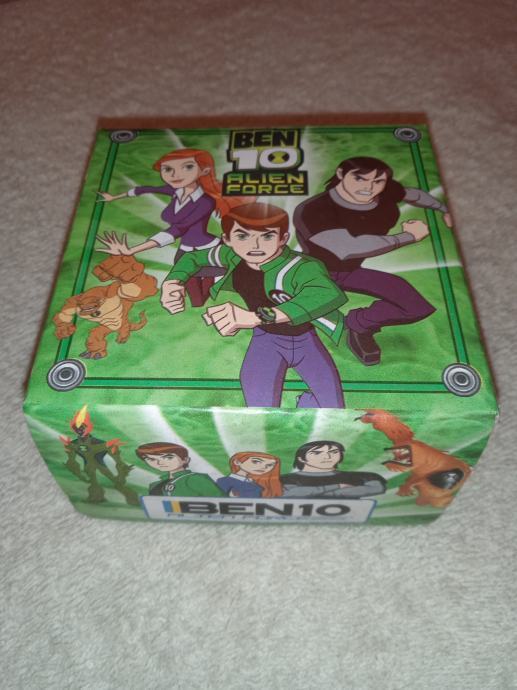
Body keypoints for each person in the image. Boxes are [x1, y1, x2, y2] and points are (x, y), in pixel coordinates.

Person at [160, 202, 348, 408]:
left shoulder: (302, 266)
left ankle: (305, 402)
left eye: (267, 236)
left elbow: (327, 294)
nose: (255, 245)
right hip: (266, 341)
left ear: (283, 239)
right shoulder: (232, 255)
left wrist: (254, 317)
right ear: (227, 239)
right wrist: (172, 282)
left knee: (333, 407)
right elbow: (193, 258)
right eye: (242, 236)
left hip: (306, 342)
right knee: (258, 408)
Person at [294, 156, 451, 365]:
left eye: (378, 181)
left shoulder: (382, 192)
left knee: (415, 305)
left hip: (351, 272)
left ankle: (358, 324)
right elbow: (347, 248)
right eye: (359, 179)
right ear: (341, 174)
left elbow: (412, 194)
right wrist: (408, 237)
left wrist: (444, 209)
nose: (368, 188)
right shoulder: (314, 209)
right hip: (316, 274)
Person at [97, 148, 241, 306]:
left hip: (209, 248)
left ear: (204, 170)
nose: (175, 174)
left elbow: (179, 228)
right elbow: (145, 189)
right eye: (167, 169)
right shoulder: (175, 191)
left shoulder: (206, 202)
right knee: (196, 300)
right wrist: (114, 197)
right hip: (185, 249)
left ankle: (228, 275)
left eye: (187, 167)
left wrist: (133, 250)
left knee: (203, 278)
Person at [281, 440, 386, 499]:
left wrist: (319, 495)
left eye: (334, 452)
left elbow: (377, 488)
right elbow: (287, 494)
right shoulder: (285, 479)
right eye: (317, 453)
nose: (327, 457)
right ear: (301, 458)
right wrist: (338, 486)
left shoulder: (365, 476)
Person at [135, 442, 224, 497]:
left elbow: (220, 500)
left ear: (185, 460)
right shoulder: (155, 485)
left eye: (168, 457)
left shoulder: (194, 479)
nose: (159, 462)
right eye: (151, 459)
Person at [217, 451, 283, 498]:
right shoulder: (224, 481)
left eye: (270, 465)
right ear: (237, 462)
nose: (263, 467)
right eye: (256, 461)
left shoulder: (255, 482)